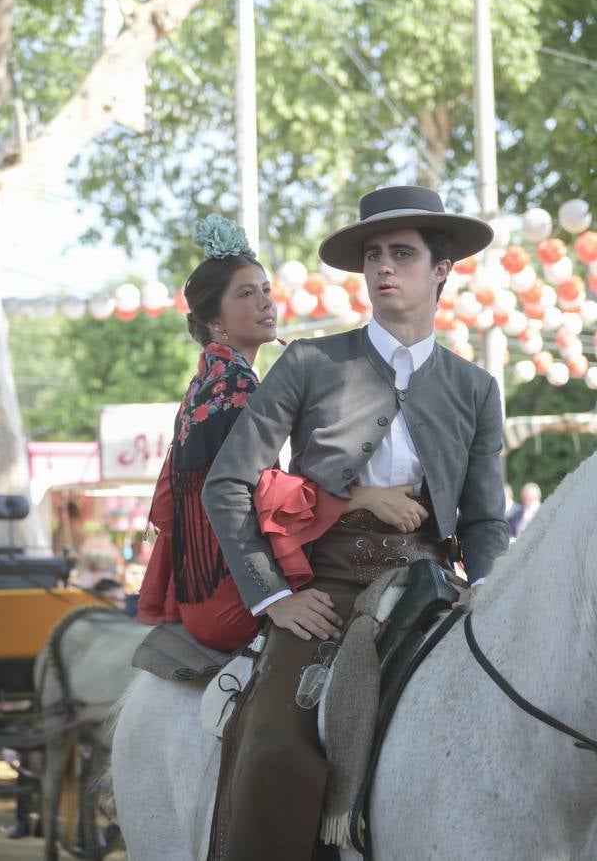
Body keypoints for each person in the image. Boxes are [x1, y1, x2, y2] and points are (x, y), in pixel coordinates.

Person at [202, 185, 510, 861]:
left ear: (441, 270)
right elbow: (226, 483)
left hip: (434, 589)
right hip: (324, 586)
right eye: (373, 254)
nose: (382, 268)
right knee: (277, 742)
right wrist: (274, 596)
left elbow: (486, 517)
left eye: (402, 253)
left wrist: (487, 584)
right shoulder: (310, 362)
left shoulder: (476, 389)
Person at [136, 215, 400, 650]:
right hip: (236, 592)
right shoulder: (238, 386)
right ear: (216, 321)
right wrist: (366, 497)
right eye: (246, 294)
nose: (265, 304)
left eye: (265, 291)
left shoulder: (207, 379)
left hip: (199, 589)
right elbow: (259, 493)